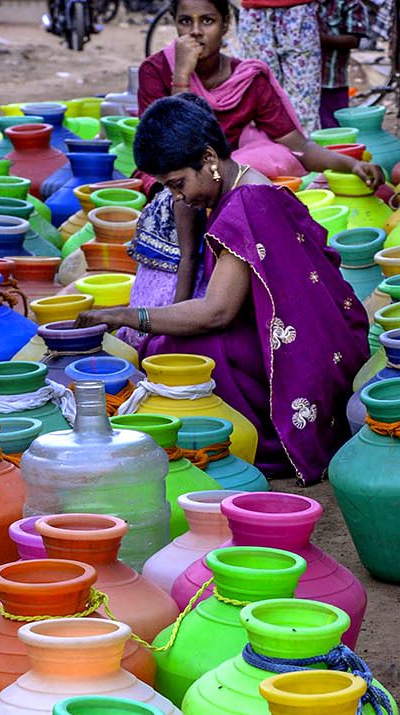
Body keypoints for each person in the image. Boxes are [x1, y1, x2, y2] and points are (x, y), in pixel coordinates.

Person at [78, 95, 370, 484]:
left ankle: (255, 439)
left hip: (300, 369)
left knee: (173, 354)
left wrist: (125, 316)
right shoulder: (242, 186)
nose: (178, 197)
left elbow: (218, 311)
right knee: (162, 344)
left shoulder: (244, 205)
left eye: (178, 184)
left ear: (210, 158)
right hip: (315, 341)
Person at [129, 0, 383, 345]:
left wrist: (351, 164)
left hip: (219, 176)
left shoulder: (248, 77)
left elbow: (299, 146)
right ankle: (179, 314)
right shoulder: (156, 70)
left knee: (263, 177)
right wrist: (180, 77)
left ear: (226, 24)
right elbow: (164, 146)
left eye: (208, 21)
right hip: (178, 178)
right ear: (173, 23)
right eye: (185, 21)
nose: (196, 32)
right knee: (179, 207)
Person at [236, 0, 322, 132]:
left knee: (305, 103)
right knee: (258, 92)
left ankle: (304, 149)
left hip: (298, 11)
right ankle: (266, 150)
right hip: (255, 13)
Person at [318, 0, 369, 128]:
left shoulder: (351, 4)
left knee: (334, 130)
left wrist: (320, 38)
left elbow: (354, 40)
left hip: (333, 82)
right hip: (303, 84)